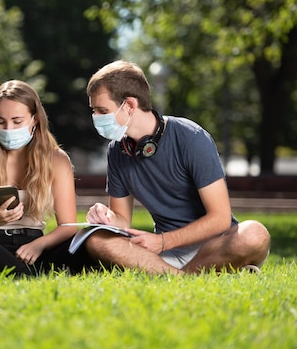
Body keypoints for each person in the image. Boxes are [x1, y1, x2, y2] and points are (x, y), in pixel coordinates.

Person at [83, 60, 271, 275]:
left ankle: (176, 273)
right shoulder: (116, 151)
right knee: (96, 240)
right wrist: (106, 217)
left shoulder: (190, 136)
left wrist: (163, 242)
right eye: (94, 111)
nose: (96, 118)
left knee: (255, 234)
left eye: (102, 110)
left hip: (215, 246)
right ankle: (191, 276)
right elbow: (122, 219)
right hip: (165, 254)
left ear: (130, 105)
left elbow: (220, 218)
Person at [0, 80, 96, 276]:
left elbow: (68, 227)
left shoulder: (57, 160)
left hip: (36, 246)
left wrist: (39, 245)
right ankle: (29, 276)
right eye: (1, 121)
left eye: (17, 121)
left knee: (88, 242)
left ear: (34, 119)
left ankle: (18, 274)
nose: (9, 129)